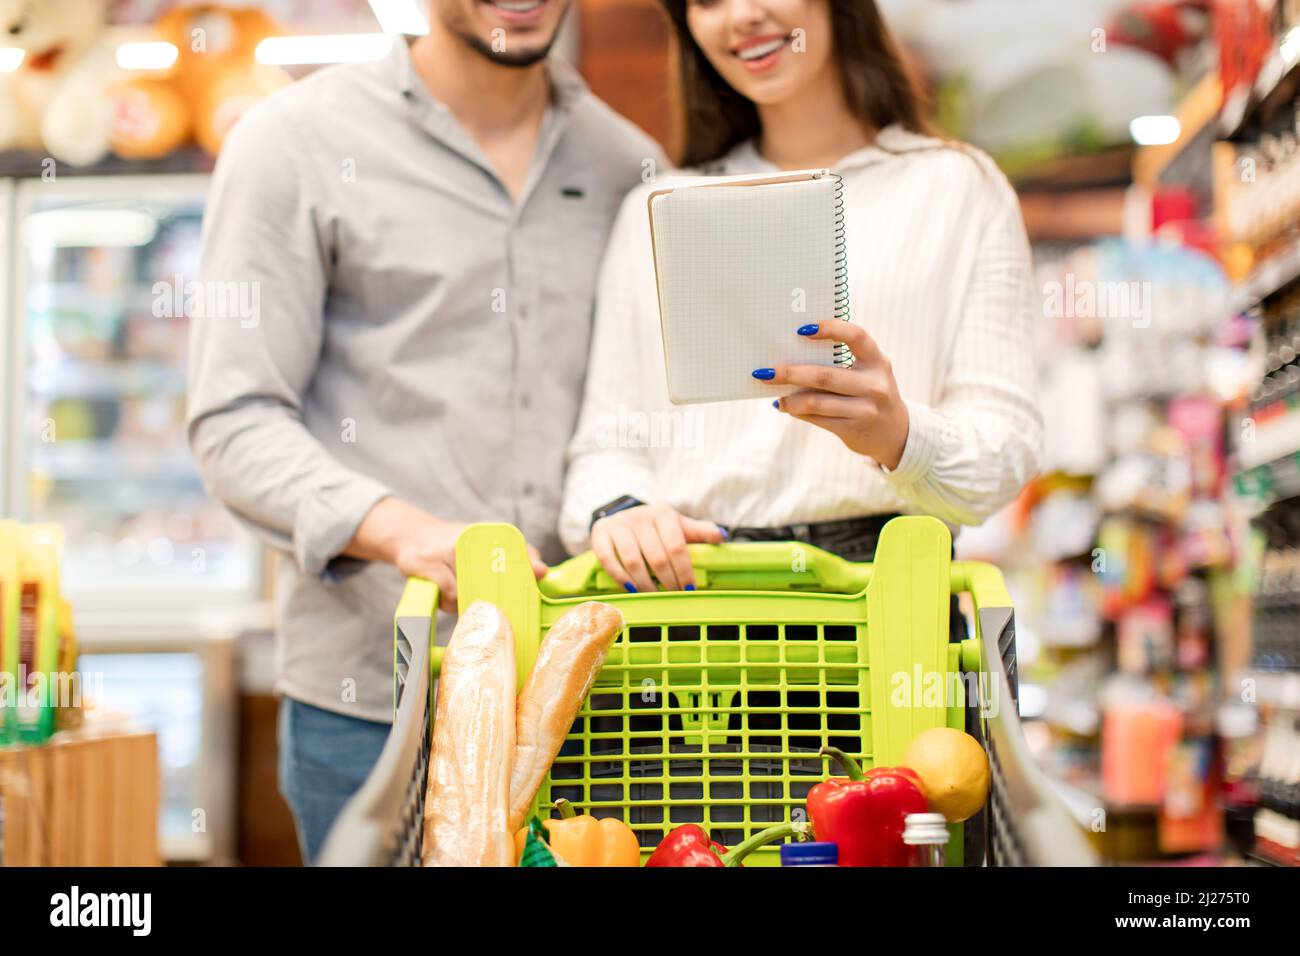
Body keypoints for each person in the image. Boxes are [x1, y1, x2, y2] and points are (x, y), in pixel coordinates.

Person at [187, 0, 660, 862]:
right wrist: (407, 532)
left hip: (592, 706)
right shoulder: (292, 145)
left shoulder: (628, 164)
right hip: (372, 702)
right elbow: (234, 418)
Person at [560, 0, 1044, 600]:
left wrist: (900, 436)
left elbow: (1006, 452)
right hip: (691, 603)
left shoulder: (957, 187)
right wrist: (622, 512)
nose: (741, 15)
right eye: (707, 0)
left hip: (887, 596)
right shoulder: (658, 210)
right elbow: (605, 444)